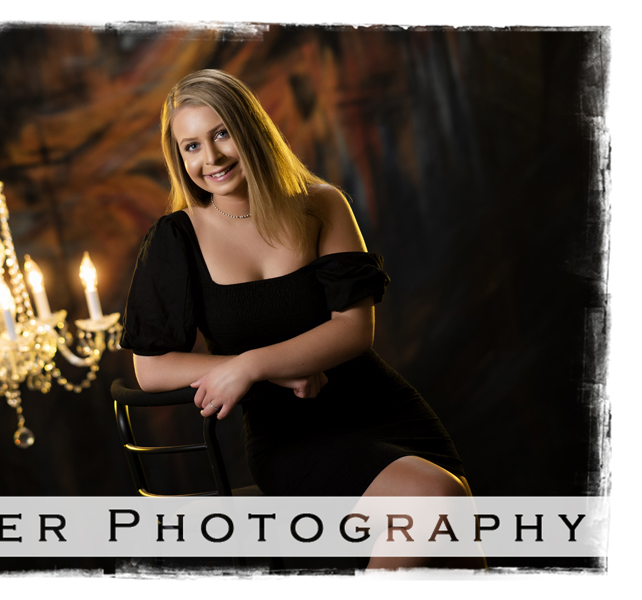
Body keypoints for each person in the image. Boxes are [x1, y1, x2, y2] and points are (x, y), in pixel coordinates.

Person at [120, 69, 482, 569]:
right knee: (434, 500)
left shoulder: (322, 205)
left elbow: (354, 328)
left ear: (252, 130)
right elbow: (151, 367)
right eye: (192, 147)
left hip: (384, 410)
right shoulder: (175, 239)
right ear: (178, 157)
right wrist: (267, 367)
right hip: (289, 437)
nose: (212, 158)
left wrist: (250, 366)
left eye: (222, 134)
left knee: (455, 550)